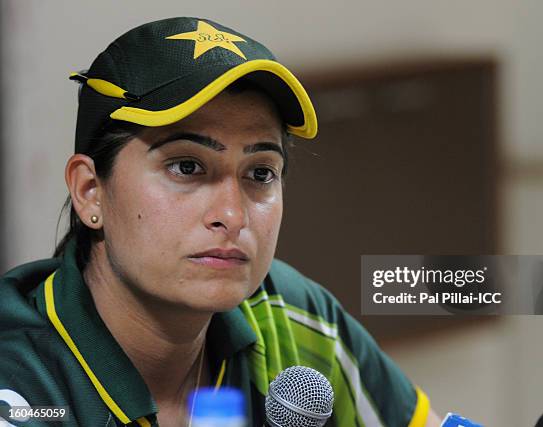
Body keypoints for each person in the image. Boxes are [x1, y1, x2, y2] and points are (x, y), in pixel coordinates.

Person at [0, 17, 442, 427]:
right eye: (187, 167)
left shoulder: (291, 314)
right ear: (90, 190)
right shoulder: (18, 383)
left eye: (260, 173)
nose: (232, 216)